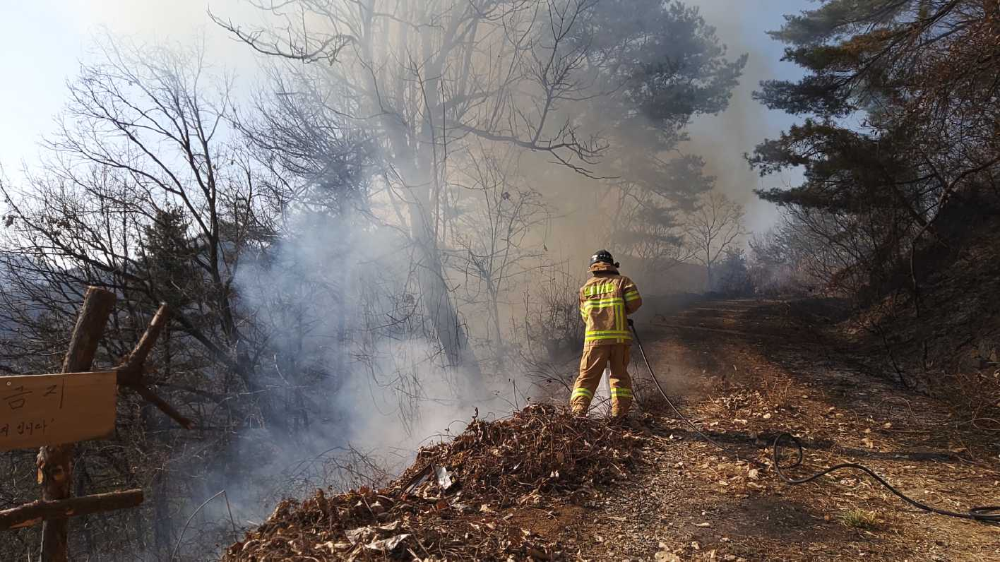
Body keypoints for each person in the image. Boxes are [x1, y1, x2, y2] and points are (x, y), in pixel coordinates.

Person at [570, 250, 642, 419]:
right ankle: (619, 414)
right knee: (619, 377)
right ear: (612, 265)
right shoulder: (623, 282)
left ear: (593, 268)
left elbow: (585, 316)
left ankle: (578, 413)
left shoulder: (585, 288)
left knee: (587, 378)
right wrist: (621, 312)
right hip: (619, 340)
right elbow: (635, 302)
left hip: (594, 341)